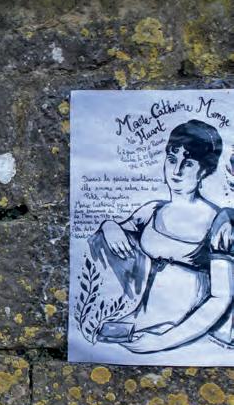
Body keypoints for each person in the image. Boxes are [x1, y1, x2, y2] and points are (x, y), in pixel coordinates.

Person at [91, 119, 234, 352]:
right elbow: (120, 229)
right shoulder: (153, 210)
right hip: (139, 320)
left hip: (186, 331)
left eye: (188, 163)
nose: (176, 171)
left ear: (204, 170)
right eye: (172, 159)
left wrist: (160, 342)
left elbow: (221, 297)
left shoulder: (219, 223)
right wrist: (109, 226)